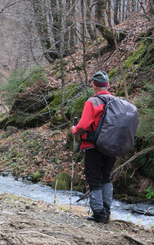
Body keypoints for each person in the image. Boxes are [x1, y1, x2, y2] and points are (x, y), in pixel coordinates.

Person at [71, 71, 116, 223]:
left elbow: (83, 125)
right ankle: (106, 211)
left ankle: (99, 214)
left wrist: (74, 130)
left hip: (93, 146)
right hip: (111, 146)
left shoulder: (92, 102)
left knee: (94, 178)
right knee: (106, 177)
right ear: (107, 85)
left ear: (94, 86)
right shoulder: (116, 102)